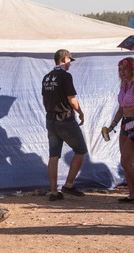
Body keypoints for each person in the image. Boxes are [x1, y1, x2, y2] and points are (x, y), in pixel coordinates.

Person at [41, 49, 88, 201]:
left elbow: (44, 100)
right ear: (65, 59)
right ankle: (68, 184)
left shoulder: (47, 77)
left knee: (53, 155)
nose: (70, 64)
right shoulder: (65, 76)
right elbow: (72, 99)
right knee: (80, 150)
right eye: (69, 60)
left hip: (50, 119)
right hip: (65, 119)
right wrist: (80, 112)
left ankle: (54, 191)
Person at [106, 57, 134, 203]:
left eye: (125, 69)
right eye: (120, 70)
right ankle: (132, 193)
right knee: (125, 161)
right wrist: (112, 126)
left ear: (133, 68)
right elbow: (121, 109)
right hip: (125, 124)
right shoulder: (124, 84)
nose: (122, 72)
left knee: (126, 161)